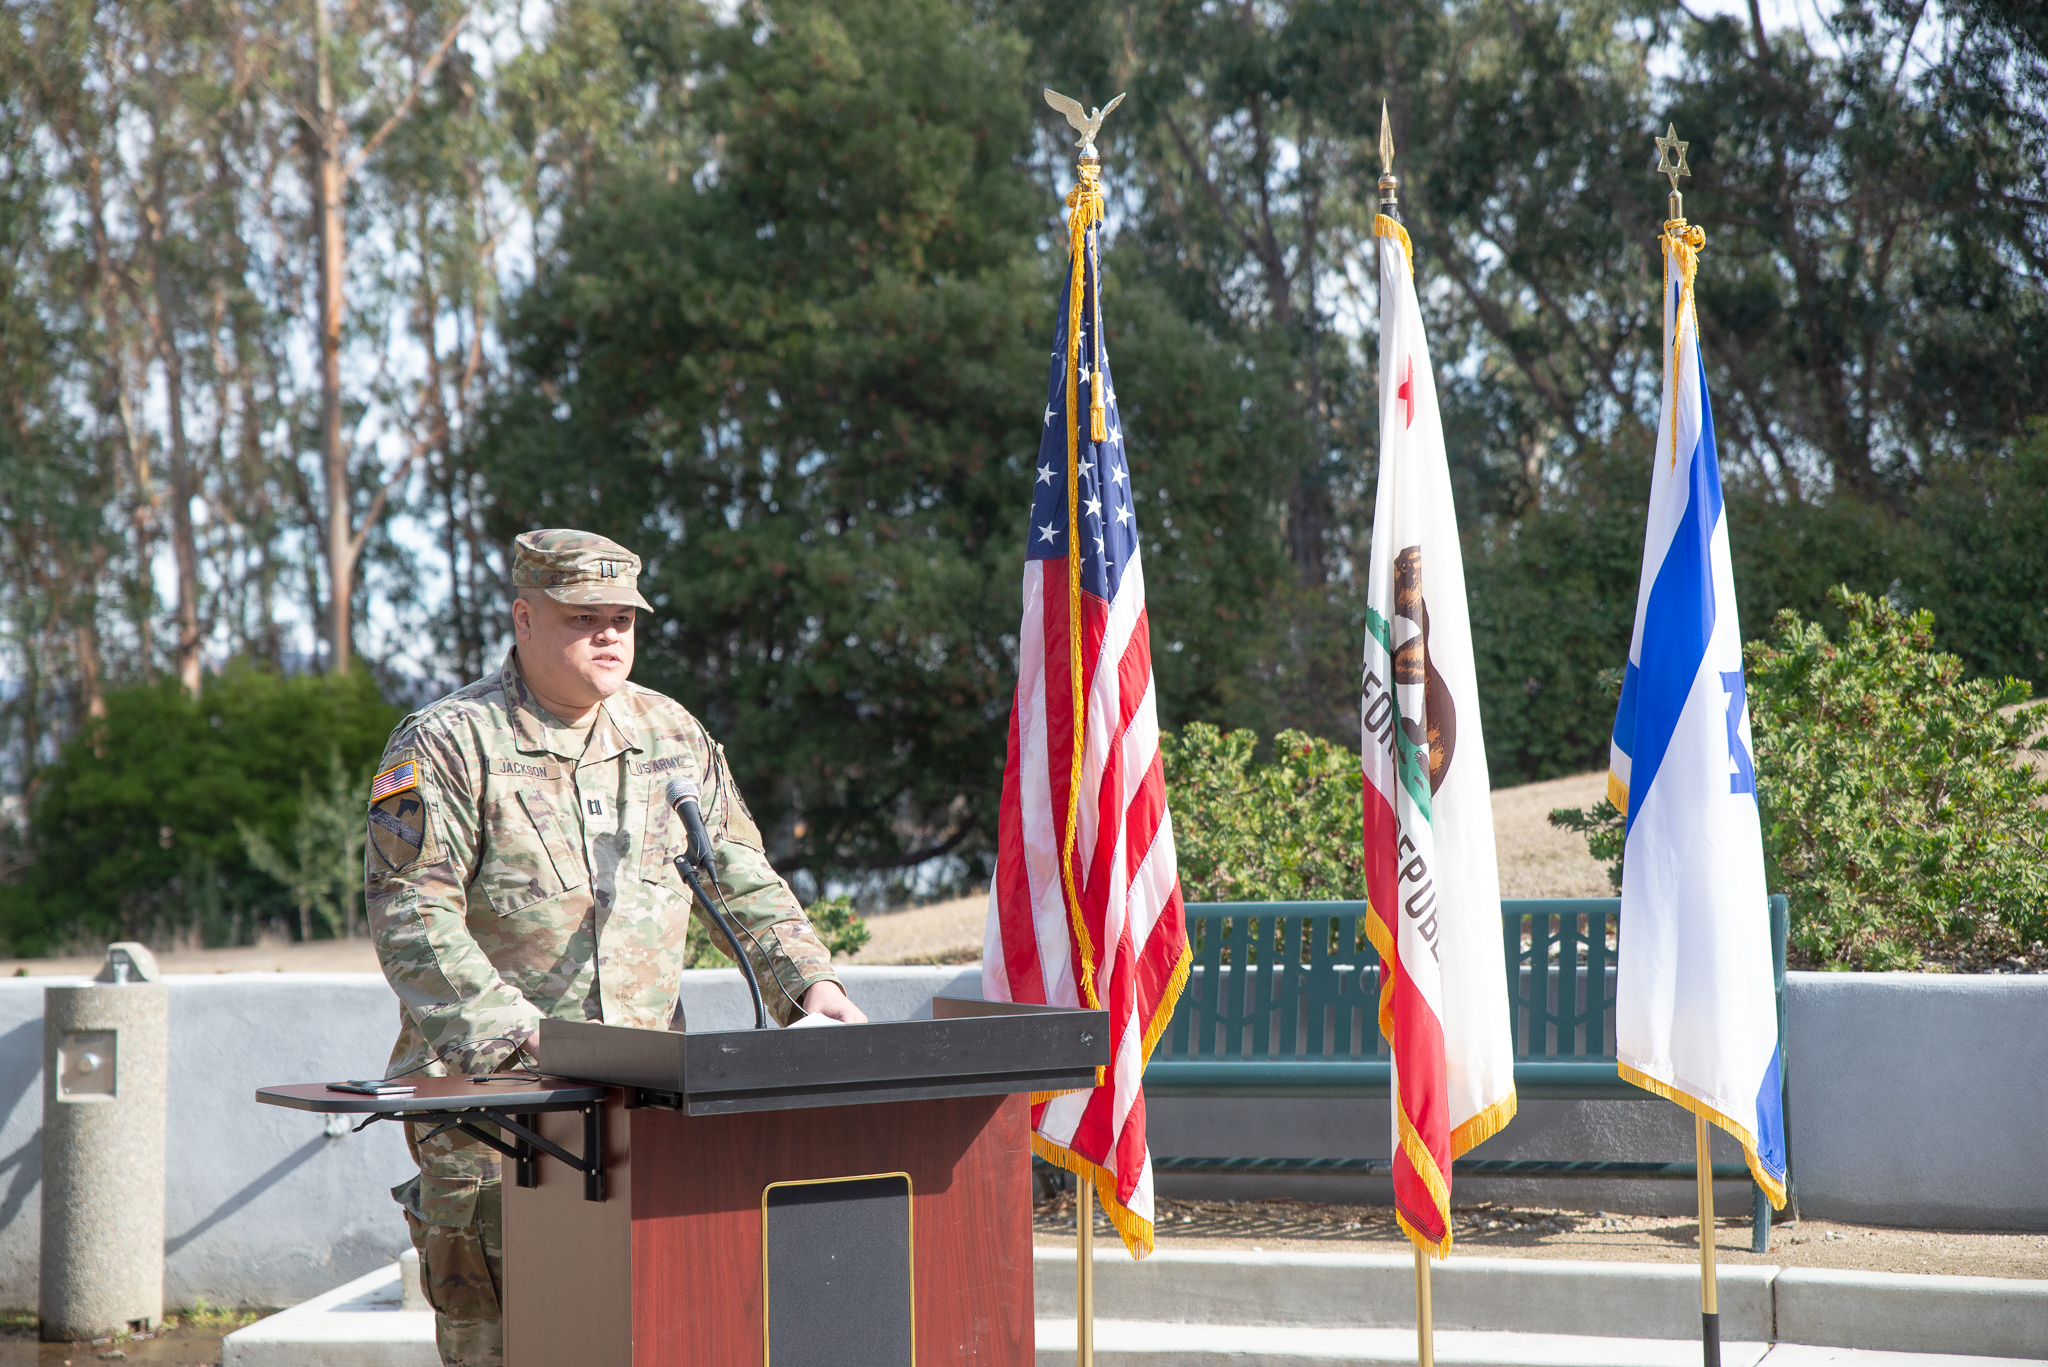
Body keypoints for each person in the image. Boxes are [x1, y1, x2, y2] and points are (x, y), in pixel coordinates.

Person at [364, 528, 866, 1367]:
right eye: (583, 616)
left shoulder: (669, 733)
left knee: (652, 1340)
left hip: (645, 1119)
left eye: (623, 620)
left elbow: (737, 873)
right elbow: (412, 913)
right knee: (514, 1351)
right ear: (524, 619)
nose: (609, 635)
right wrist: (515, 1032)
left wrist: (810, 984)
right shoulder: (449, 743)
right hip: (500, 1125)